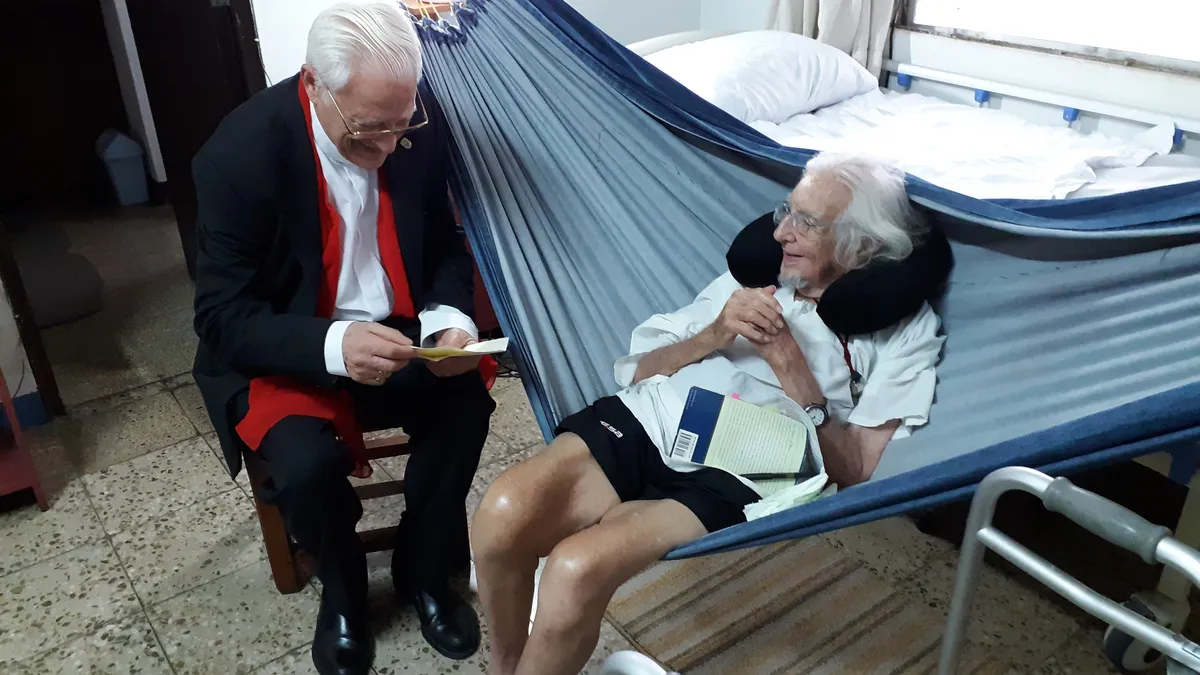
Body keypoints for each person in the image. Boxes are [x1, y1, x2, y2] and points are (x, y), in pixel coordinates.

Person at [470, 152, 946, 675]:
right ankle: (505, 665)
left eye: (806, 222)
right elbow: (639, 369)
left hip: (745, 466)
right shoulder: (758, 278)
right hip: (656, 415)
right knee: (501, 513)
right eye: (786, 211)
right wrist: (714, 333)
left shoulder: (904, 332)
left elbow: (854, 469)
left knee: (575, 568)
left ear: (863, 245)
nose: (781, 232)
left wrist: (790, 364)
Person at [191, 3, 492, 673]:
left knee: (466, 407)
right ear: (313, 83)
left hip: (397, 328)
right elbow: (222, 317)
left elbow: (444, 240)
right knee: (305, 468)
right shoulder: (238, 156)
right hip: (289, 344)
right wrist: (332, 345)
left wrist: (452, 319)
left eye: (399, 123)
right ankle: (345, 589)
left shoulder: (411, 120)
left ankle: (424, 569)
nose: (386, 147)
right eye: (366, 130)